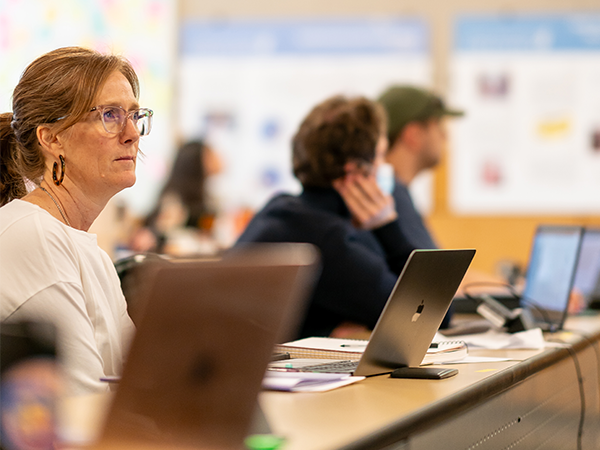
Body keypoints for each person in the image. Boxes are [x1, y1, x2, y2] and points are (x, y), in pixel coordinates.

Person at [0, 46, 153, 395]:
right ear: (52, 138)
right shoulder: (31, 235)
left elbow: (139, 385)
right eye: (110, 115)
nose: (132, 133)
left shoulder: (90, 253)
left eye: (134, 114)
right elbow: (82, 404)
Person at [234, 95, 415, 339]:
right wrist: (387, 226)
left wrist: (321, 330)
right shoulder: (326, 238)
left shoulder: (282, 210)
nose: (386, 167)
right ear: (356, 172)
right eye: (381, 156)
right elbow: (423, 314)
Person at [377, 85, 464, 251]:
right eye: (438, 125)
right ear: (413, 134)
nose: (445, 136)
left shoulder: (392, 191)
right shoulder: (391, 195)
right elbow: (437, 273)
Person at [129, 139, 222, 254]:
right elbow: (163, 235)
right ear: (195, 161)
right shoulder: (174, 200)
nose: (219, 158)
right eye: (210, 155)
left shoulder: (205, 196)